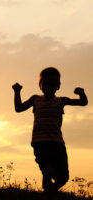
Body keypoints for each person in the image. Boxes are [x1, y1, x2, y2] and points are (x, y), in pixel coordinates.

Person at [12, 67, 88, 197]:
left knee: (64, 177)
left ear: (58, 86)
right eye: (45, 84)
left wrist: (81, 93)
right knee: (47, 169)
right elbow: (19, 108)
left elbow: (83, 103)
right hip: (40, 142)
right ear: (40, 86)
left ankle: (50, 190)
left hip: (57, 143)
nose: (48, 87)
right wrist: (17, 92)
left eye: (52, 84)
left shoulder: (61, 101)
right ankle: (48, 185)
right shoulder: (35, 99)